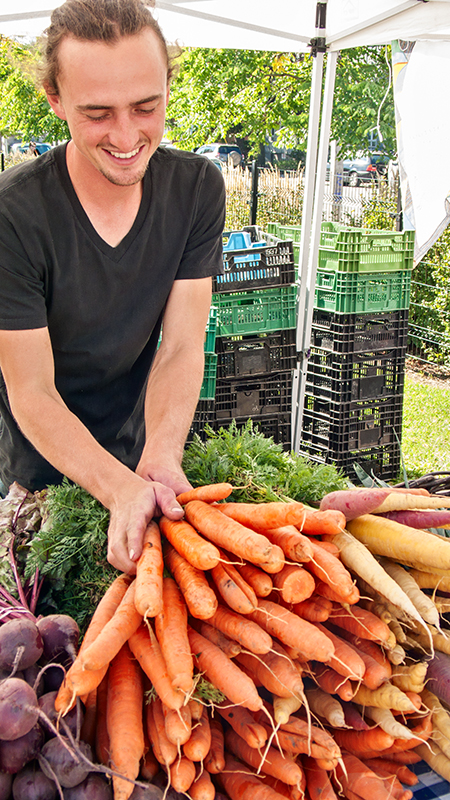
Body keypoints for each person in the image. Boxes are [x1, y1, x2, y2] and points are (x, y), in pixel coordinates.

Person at [0, 0, 226, 574]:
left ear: (169, 85)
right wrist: (115, 487)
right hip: (34, 476)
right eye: (97, 113)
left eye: (146, 107)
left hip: (137, 457)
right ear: (54, 99)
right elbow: (32, 392)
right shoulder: (13, 214)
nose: (126, 136)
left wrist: (161, 454)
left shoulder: (196, 189)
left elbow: (180, 346)